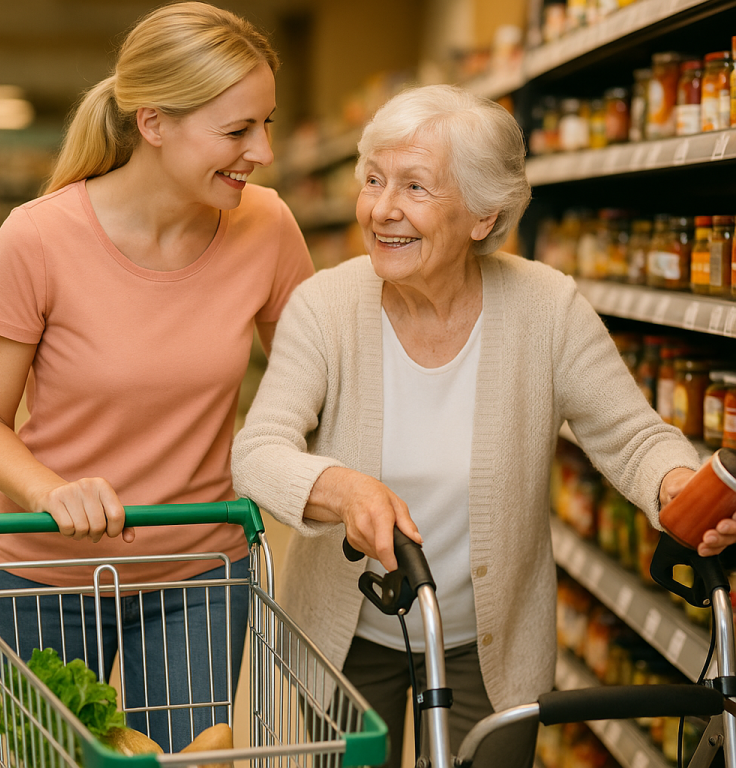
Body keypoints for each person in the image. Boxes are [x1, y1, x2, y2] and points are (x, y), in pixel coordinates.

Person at [232, 84, 733, 768]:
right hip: (347, 636)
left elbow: (633, 437)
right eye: (374, 179)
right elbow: (258, 452)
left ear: (482, 215)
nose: (382, 209)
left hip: (489, 645)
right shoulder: (326, 307)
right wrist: (343, 489)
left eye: (415, 186)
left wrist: (676, 484)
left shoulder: (546, 307)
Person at [0, 1, 313, 752]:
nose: (261, 151)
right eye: (237, 131)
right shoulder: (37, 237)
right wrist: (48, 491)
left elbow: (316, 379)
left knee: (192, 761)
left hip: (198, 572)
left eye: (266, 124)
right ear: (152, 123)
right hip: (44, 576)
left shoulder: (268, 226)